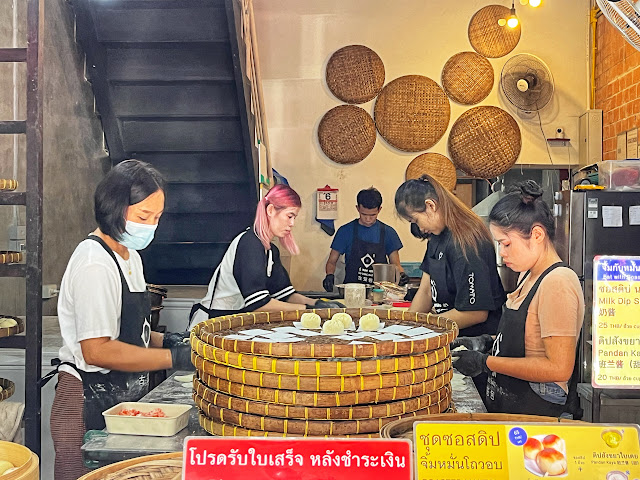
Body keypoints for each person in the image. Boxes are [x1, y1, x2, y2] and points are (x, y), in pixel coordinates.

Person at [49, 160, 192, 480]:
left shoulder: (129, 257)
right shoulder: (94, 263)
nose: (151, 227)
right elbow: (97, 350)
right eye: (144, 216)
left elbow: (132, 332)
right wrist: (177, 357)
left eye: (157, 218)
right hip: (86, 401)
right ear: (113, 207)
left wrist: (174, 340)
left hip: (122, 398)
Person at [452, 181, 585, 417]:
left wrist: (486, 362)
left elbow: (559, 368)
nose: (502, 252)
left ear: (537, 234)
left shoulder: (558, 282)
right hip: (511, 403)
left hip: (538, 411)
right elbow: (529, 340)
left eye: (506, 243)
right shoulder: (527, 274)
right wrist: (485, 341)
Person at [395, 174, 506, 401]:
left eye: (416, 220)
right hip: (452, 343)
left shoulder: (466, 241)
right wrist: (402, 331)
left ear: (430, 206)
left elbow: (476, 312)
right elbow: (426, 290)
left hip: (476, 351)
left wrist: (427, 329)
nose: (419, 228)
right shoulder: (437, 236)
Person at [190, 184, 342, 328]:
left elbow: (286, 295)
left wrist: (318, 304)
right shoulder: (249, 244)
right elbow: (258, 304)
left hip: (236, 323)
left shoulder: (270, 250)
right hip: (215, 323)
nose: (292, 223)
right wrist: (308, 310)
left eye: (294, 217)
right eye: (290, 216)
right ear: (270, 210)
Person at [323, 187, 408, 291]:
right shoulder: (345, 231)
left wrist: (401, 274)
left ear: (379, 209)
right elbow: (332, 261)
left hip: (380, 292)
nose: (368, 219)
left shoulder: (389, 233)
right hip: (352, 291)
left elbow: (395, 264)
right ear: (357, 208)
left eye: (373, 215)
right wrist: (329, 275)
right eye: (364, 214)